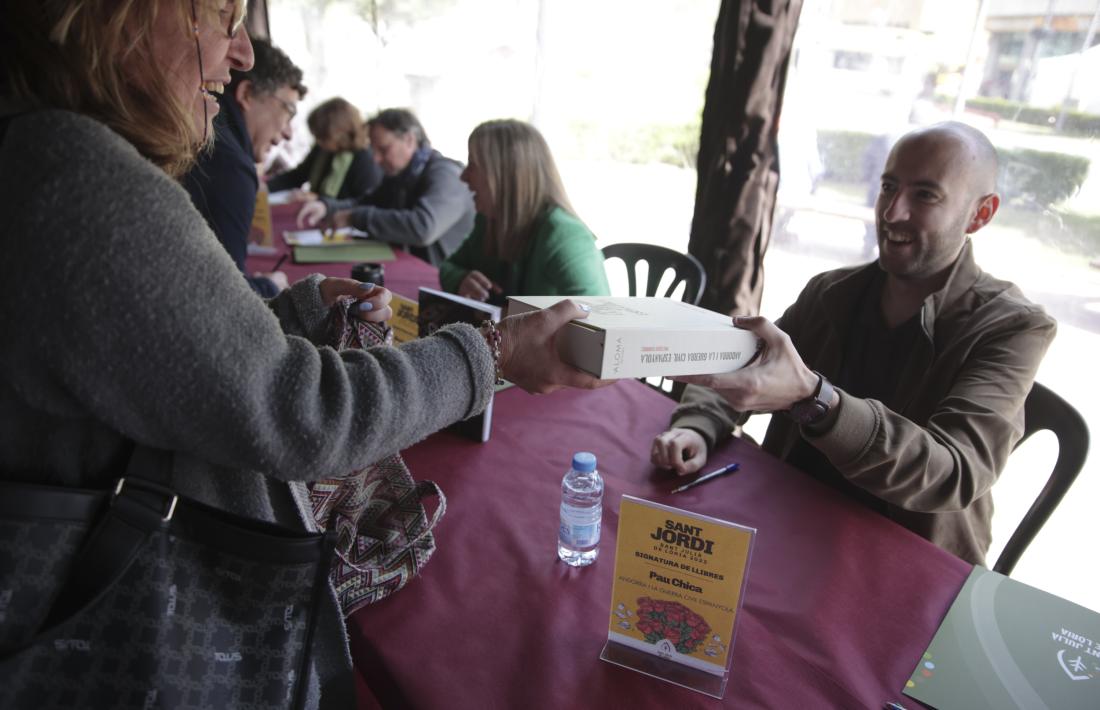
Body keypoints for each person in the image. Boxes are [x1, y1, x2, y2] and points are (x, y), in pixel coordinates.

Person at [0, 2, 603, 707]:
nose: (243, 53)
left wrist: (292, 313)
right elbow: (306, 415)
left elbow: (154, 356)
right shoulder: (74, 176)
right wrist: (489, 356)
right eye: (222, 15)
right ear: (113, 16)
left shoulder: (37, 154)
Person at [651, 122, 1056, 566]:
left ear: (980, 214)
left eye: (925, 195)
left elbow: (952, 473)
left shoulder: (1013, 327)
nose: (892, 212)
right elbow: (745, 364)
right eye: (888, 186)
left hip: (910, 561)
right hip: (789, 525)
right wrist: (697, 424)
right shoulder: (831, 293)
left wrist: (817, 400)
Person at [182, 37, 306, 297]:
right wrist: (270, 285)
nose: (288, 133)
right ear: (247, 94)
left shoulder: (210, 134)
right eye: (288, 111)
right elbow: (228, 298)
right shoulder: (232, 166)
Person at [437, 119, 610, 303]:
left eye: (473, 165)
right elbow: (448, 267)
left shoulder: (564, 236)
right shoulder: (489, 221)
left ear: (505, 174)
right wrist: (460, 280)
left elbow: (600, 315)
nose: (463, 177)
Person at [296, 108, 475, 266]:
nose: (376, 159)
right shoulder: (401, 173)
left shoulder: (447, 175)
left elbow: (422, 227)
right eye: (374, 150)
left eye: (383, 149)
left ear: (409, 140)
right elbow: (368, 201)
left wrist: (355, 217)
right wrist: (326, 206)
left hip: (443, 284)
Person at [266, 97, 383, 202]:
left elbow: (360, 204)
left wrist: (319, 200)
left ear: (339, 135)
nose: (318, 141)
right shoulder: (323, 149)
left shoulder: (365, 162)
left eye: (321, 137)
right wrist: (267, 186)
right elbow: (298, 176)